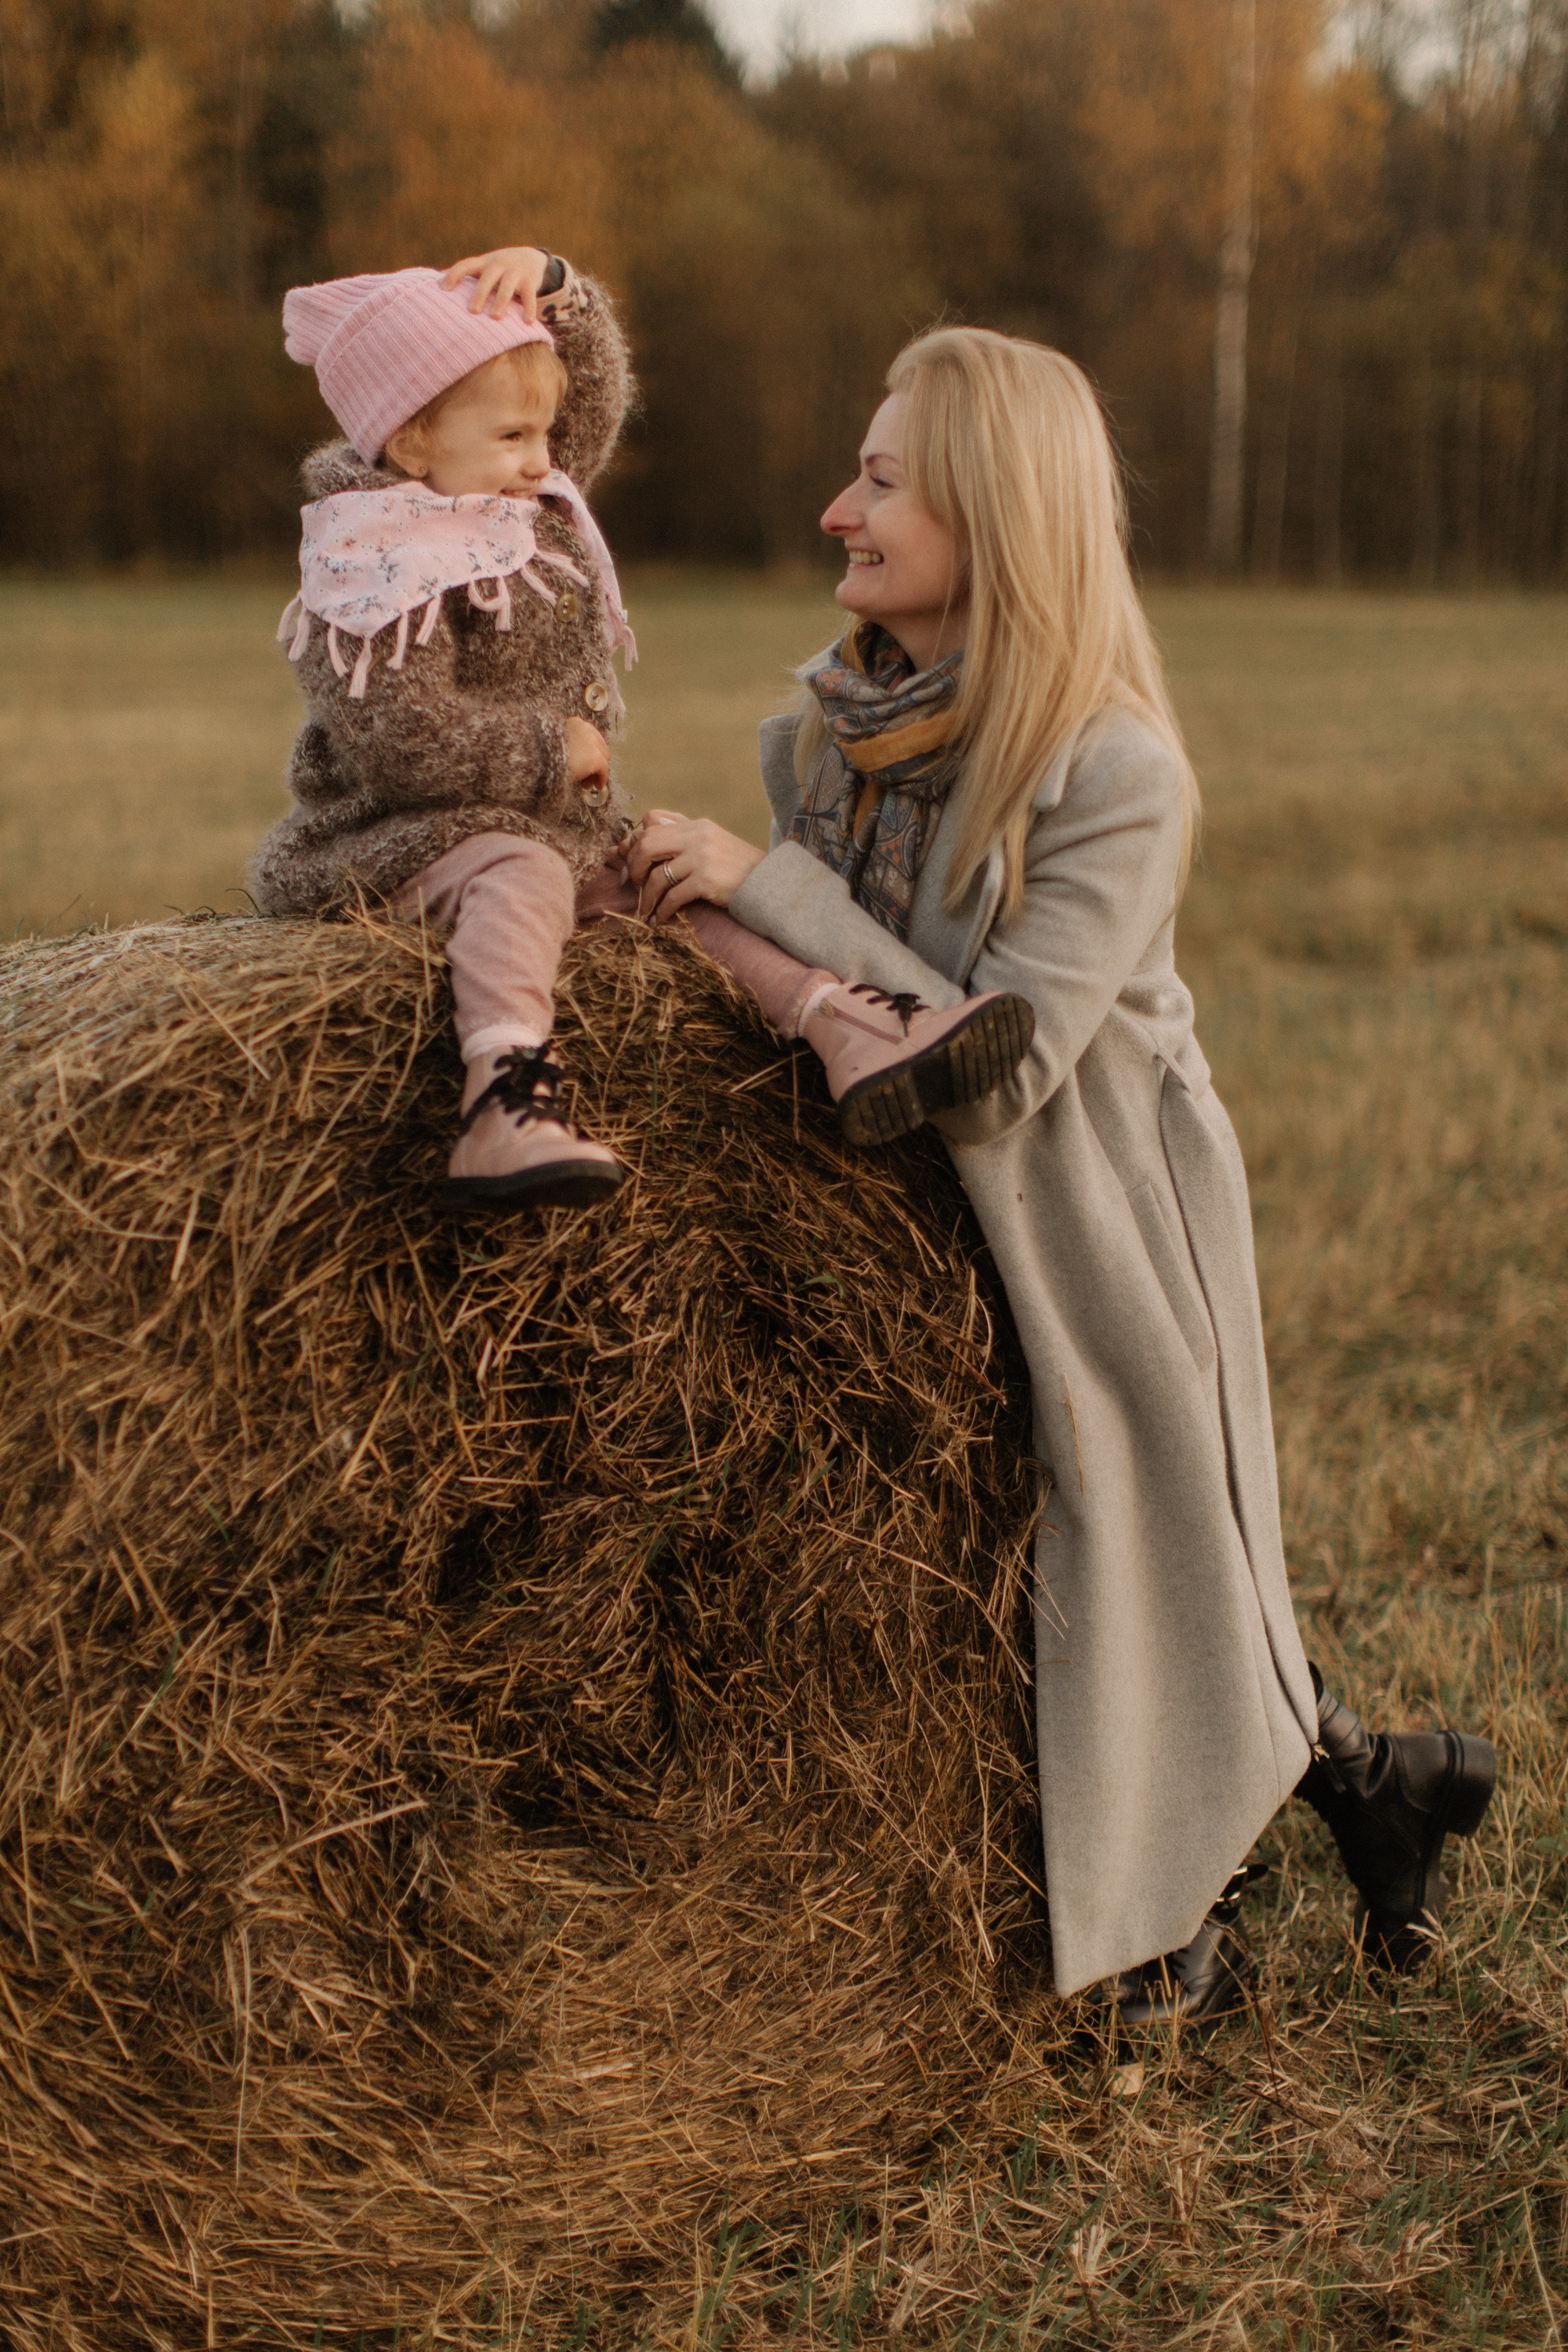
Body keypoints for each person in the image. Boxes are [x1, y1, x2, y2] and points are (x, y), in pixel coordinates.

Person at [608, 318, 1498, 2029]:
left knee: (1132, 1534)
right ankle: (1384, 1793)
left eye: (877, 479)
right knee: (1024, 1536)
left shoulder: (1115, 773)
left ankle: (1176, 1919)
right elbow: (829, 1016)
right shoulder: (819, 734)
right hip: (904, 1183)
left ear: (993, 512)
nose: (830, 513)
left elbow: (993, 1047)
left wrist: (764, 891)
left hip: (1095, 1190)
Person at [254, 251, 1035, 1211]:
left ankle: (846, 1026)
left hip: (526, 827)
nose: (546, 458)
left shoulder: (512, 504)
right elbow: (402, 745)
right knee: (525, 872)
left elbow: (582, 406)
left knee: (671, 894)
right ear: (411, 441)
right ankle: (502, 1098)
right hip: (385, 841)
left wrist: (555, 289)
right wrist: (555, 754)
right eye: (513, 434)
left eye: (543, 433)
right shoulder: (369, 563)